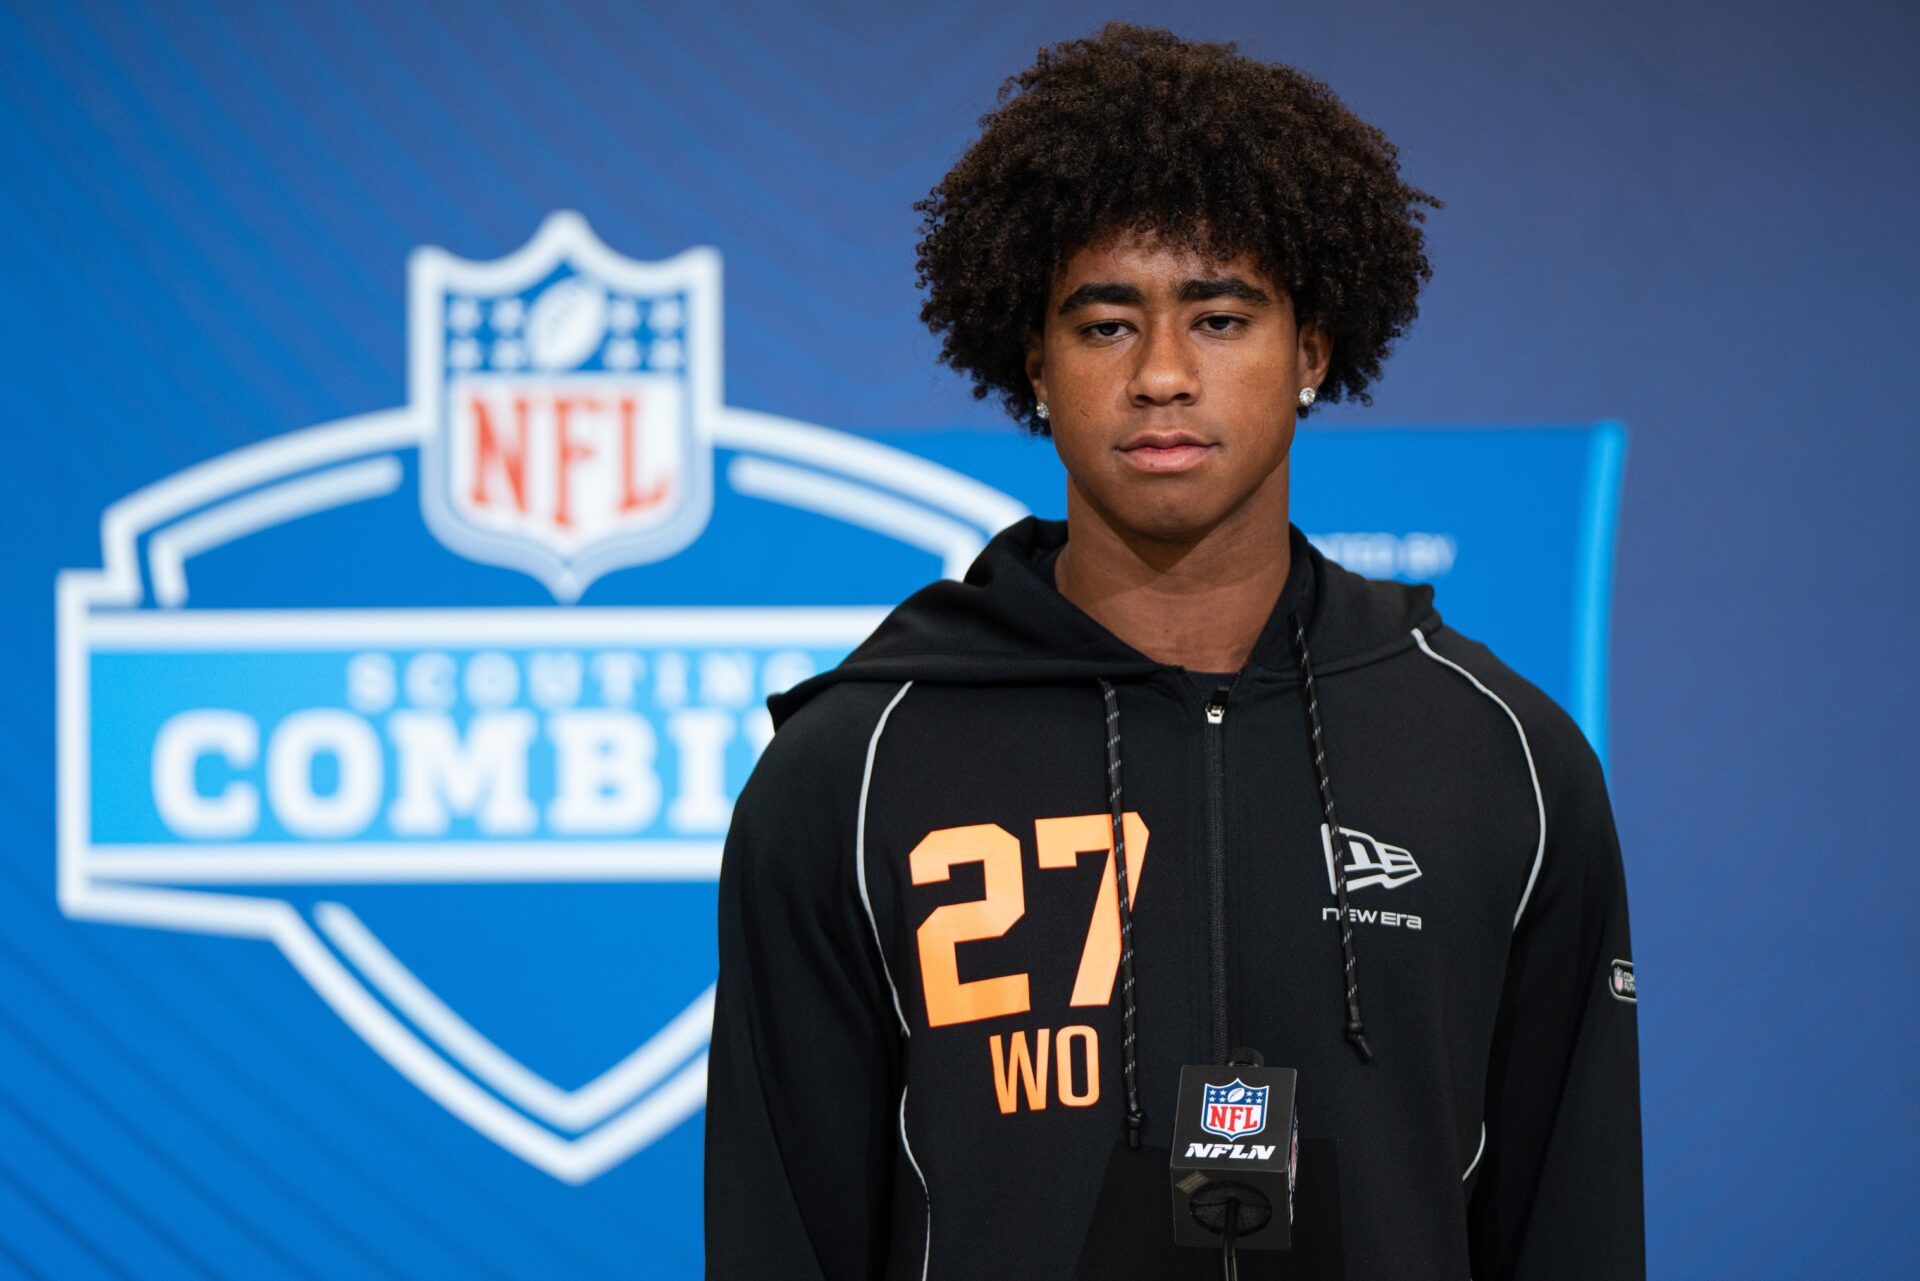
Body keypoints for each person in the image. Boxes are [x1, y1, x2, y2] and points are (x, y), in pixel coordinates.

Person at [704, 22, 1643, 1280]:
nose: (1159, 375)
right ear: (1033, 361)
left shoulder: (1505, 759)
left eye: (1218, 317)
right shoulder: (854, 769)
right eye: (1103, 325)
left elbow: (1570, 1227)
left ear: (1311, 351)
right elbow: (783, 1238)